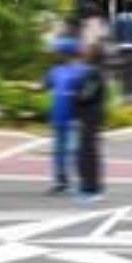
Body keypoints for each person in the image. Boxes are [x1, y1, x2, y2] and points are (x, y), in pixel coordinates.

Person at [43, 40, 89, 195]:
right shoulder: (56, 71)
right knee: (61, 151)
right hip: (60, 117)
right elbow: (44, 85)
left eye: (60, 53)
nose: (58, 56)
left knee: (72, 151)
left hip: (72, 118)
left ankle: (79, 181)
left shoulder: (80, 72)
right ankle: (62, 181)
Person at [74, 40, 106, 201]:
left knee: (88, 151)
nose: (84, 52)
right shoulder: (95, 72)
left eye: (87, 50)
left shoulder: (93, 73)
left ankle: (91, 186)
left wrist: (76, 97)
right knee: (88, 151)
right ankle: (90, 185)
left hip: (90, 116)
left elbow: (86, 95)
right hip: (91, 116)